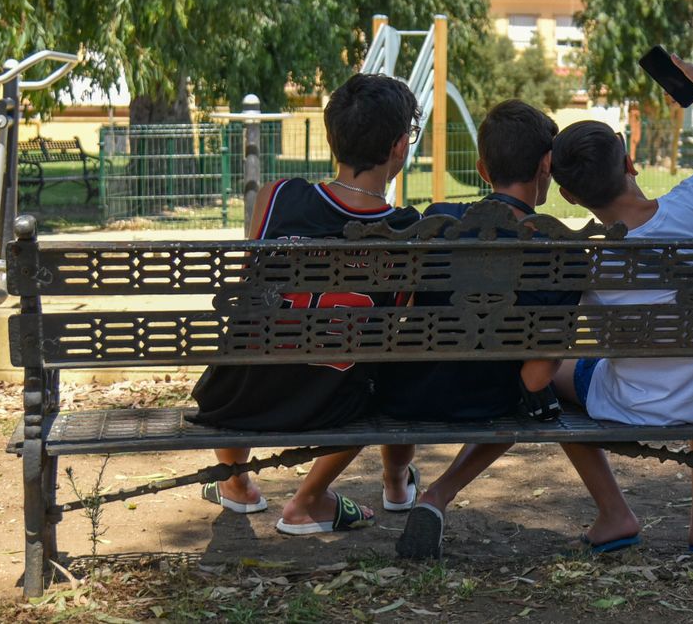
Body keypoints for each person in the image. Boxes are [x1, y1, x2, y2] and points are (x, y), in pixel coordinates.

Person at [386, 99, 640, 559]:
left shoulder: (437, 220)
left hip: (408, 388)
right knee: (536, 396)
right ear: (547, 165)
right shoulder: (561, 250)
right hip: (487, 403)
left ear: (483, 169)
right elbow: (536, 378)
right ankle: (438, 495)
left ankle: (410, 487)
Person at [549, 57, 693, 553]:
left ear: (568, 195)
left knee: (546, 380)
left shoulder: (582, 254)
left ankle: (614, 513)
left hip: (631, 403)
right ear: (629, 162)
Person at [190, 73, 420, 535]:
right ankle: (310, 499)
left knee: (240, 345)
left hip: (239, 396)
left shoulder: (276, 197)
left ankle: (236, 484)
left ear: (334, 140)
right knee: (379, 370)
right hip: (331, 401)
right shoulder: (408, 229)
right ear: (398, 147)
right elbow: (397, 322)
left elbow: (247, 290)